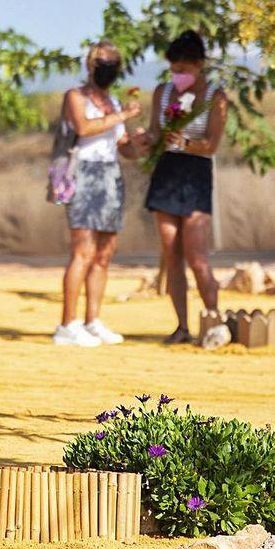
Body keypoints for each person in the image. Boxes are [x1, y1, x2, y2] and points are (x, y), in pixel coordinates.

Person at [52, 41, 145, 347]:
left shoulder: (114, 103)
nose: (107, 69)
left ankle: (93, 320)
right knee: (83, 251)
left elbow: (123, 148)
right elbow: (84, 126)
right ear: (90, 66)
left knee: (104, 254)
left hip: (110, 175)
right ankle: (67, 324)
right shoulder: (76, 97)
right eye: (102, 63)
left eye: (112, 64)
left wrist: (141, 143)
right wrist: (123, 116)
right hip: (83, 173)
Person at [138, 30, 228, 344]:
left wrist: (186, 142)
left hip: (195, 172)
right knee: (171, 250)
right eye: (174, 69)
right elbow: (153, 132)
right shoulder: (162, 92)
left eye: (184, 70)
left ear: (199, 65)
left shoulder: (215, 97)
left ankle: (215, 321)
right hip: (167, 171)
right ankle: (182, 326)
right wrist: (147, 140)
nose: (178, 75)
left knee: (196, 254)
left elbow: (212, 144)